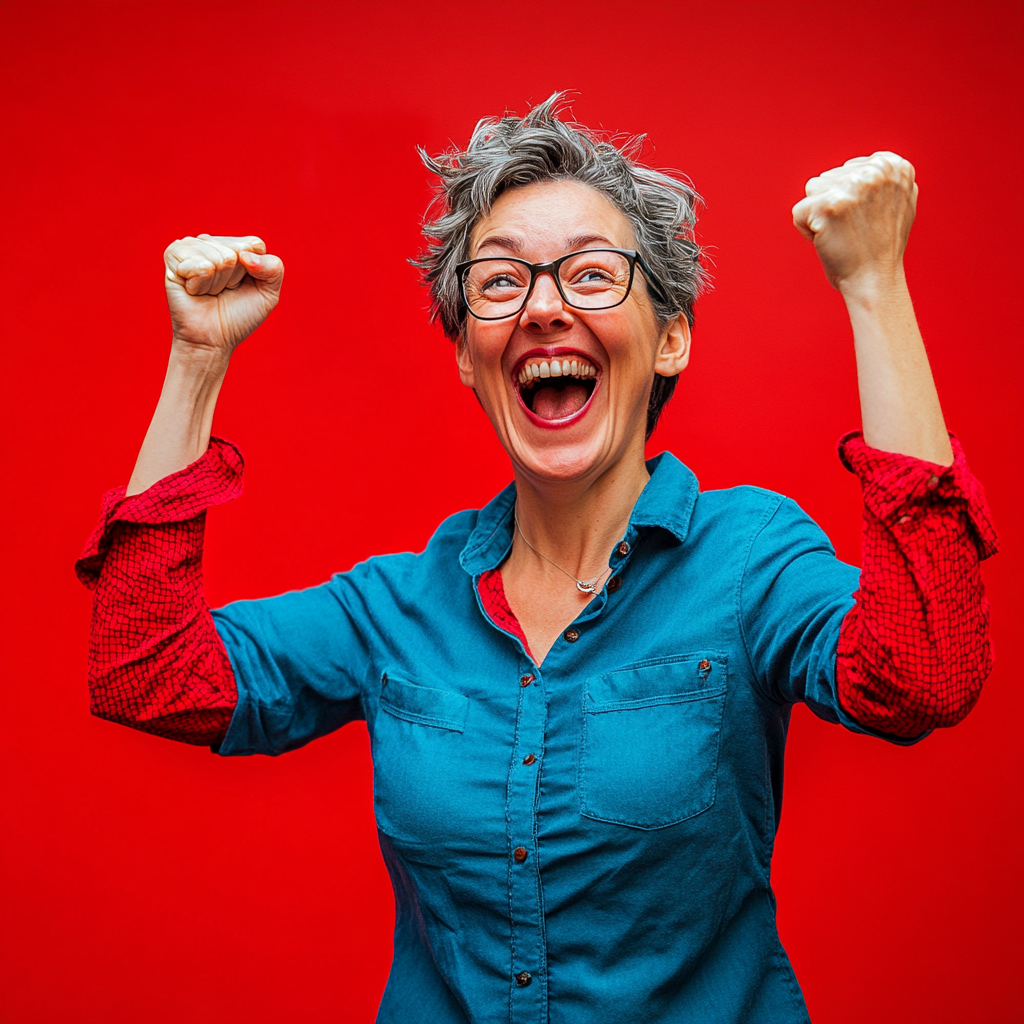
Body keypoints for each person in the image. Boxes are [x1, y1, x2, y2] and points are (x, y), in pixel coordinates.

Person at [76, 96, 997, 1023]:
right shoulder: (395, 605)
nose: (546, 306)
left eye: (593, 276)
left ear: (671, 338)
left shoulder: (751, 560)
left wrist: (876, 288)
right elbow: (148, 674)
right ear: (471, 360)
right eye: (501, 280)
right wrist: (196, 360)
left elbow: (921, 673)